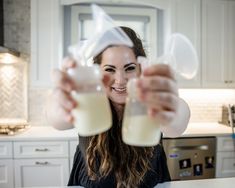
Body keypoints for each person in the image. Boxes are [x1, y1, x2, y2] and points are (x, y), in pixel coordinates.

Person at [46, 26, 190, 188]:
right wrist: (61, 102)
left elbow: (177, 124)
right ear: (97, 71)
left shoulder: (151, 102)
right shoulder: (87, 102)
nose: (120, 80)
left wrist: (170, 108)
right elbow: (56, 119)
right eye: (110, 69)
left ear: (141, 69)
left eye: (129, 68)